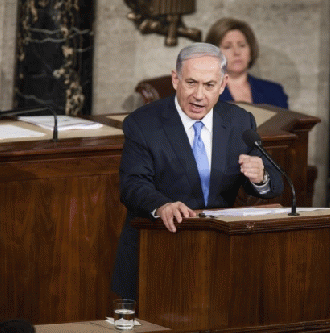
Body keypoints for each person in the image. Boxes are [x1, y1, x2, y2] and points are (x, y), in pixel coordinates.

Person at [111, 42, 284, 300]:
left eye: (209, 85)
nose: (199, 95)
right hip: (158, 249)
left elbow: (276, 184)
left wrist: (261, 177)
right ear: (175, 79)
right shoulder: (143, 123)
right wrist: (162, 205)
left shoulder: (239, 121)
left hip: (218, 254)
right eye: (191, 83)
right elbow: (133, 185)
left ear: (223, 84)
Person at [205, 17, 289, 109]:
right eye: (227, 47)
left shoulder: (274, 92)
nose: (237, 52)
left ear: (251, 50)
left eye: (242, 45)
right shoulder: (204, 93)